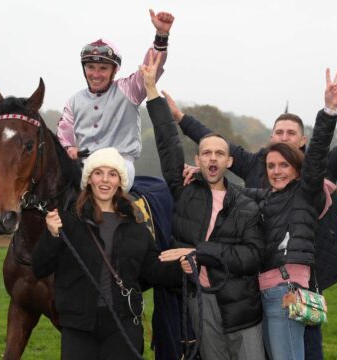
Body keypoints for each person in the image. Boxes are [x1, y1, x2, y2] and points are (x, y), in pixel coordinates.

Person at [164, 71, 337, 359]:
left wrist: (329, 111)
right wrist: (185, 129)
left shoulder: (309, 182)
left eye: (291, 134)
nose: (284, 140)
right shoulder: (257, 174)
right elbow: (218, 149)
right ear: (269, 142)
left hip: (295, 287)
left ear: (303, 141)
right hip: (257, 288)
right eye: (279, 133)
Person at [141, 52, 266, 360]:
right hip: (200, 301)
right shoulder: (185, 192)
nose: (212, 158)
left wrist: (199, 253)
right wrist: (153, 95)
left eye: (219, 153)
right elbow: (169, 145)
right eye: (206, 153)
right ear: (197, 160)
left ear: (229, 161)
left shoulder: (245, 204)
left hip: (241, 306)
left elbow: (252, 257)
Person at [31, 147, 182, 360]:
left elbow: (152, 271)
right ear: (89, 179)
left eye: (112, 174)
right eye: (98, 173)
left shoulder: (136, 226)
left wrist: (180, 268)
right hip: (78, 327)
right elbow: (39, 268)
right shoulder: (68, 221)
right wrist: (52, 236)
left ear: (120, 181)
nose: (105, 180)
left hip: (123, 326)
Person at [57, 9, 175, 191]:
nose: (96, 74)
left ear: (115, 70)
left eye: (103, 68)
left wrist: (161, 35)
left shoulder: (129, 89)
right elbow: (64, 136)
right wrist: (69, 149)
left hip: (120, 166)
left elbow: (151, 69)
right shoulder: (73, 101)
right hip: (84, 166)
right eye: (91, 67)